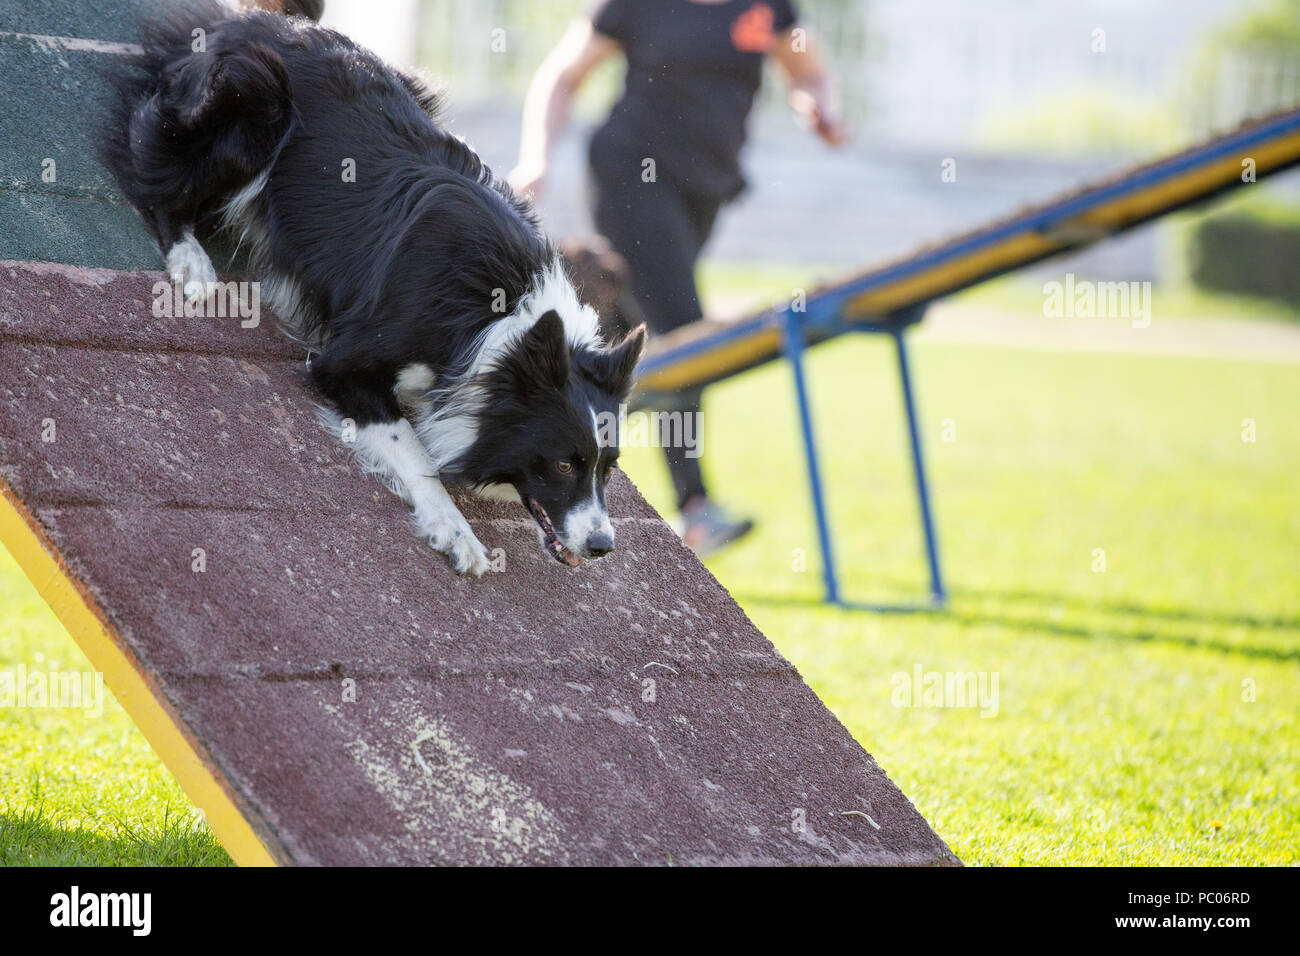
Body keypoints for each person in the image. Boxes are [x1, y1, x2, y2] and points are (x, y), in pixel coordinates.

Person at [510, 0, 844, 557]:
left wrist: (820, 107)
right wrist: (535, 158)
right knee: (685, 332)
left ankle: (551, 459)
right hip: (630, 179)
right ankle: (695, 508)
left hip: (704, 192)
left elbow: (808, 69)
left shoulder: (770, 7)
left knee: (616, 353)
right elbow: (563, 76)